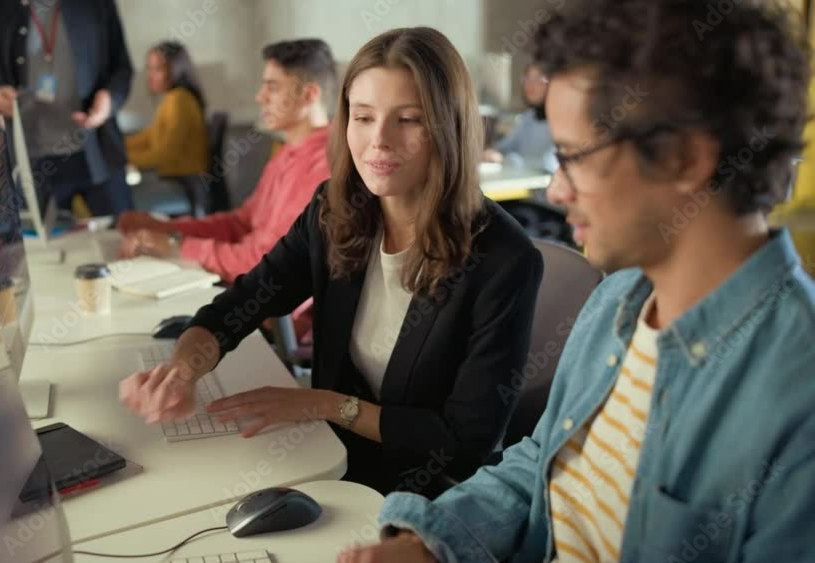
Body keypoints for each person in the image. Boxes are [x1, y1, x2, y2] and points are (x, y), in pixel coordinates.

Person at [345, 0, 814, 561]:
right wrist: (430, 540)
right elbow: (541, 458)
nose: (558, 191)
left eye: (571, 157)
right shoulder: (617, 298)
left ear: (685, 158)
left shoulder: (795, 396)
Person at [119, 27, 544, 496]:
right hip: (335, 457)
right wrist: (182, 372)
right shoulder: (335, 210)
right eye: (363, 117)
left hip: (425, 491)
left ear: (450, 126)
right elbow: (241, 304)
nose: (379, 141)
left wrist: (322, 404)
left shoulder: (505, 260)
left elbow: (463, 445)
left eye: (408, 119)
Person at [116, 38, 336, 285]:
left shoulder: (321, 168)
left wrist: (176, 244)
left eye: (272, 86)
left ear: (309, 95)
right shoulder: (287, 152)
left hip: (270, 316)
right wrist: (166, 229)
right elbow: (242, 223)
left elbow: (265, 263)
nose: (260, 97)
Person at [0, 0, 134, 216]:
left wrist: (110, 101)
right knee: (42, 248)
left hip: (97, 153)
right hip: (29, 162)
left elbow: (122, 69)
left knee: (125, 237)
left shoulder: (97, 4)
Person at [125, 41, 210, 176]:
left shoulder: (179, 100)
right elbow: (149, 136)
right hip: (180, 180)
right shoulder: (173, 98)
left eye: (158, 69)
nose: (150, 76)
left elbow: (166, 154)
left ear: (176, 69)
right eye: (149, 68)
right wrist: (118, 147)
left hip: (185, 181)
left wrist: (121, 157)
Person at [481, 63, 557, 173]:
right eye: (527, 78)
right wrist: (492, 153)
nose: (530, 85)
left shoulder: (559, 121)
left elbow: (549, 163)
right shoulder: (528, 117)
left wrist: (507, 160)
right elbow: (505, 147)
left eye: (538, 79)